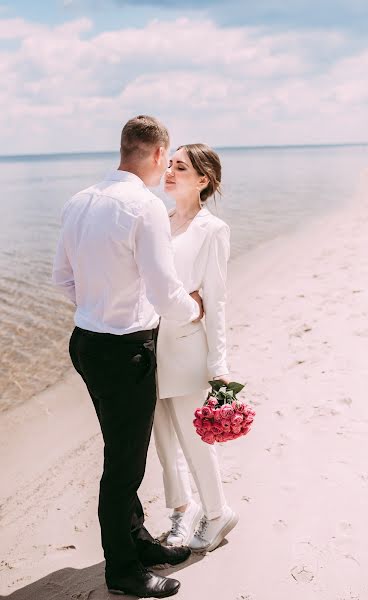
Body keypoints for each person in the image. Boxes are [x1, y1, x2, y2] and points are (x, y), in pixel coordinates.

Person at [52, 116, 205, 598]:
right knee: (123, 465)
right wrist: (195, 309)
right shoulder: (146, 206)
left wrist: (98, 304)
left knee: (123, 455)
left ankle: (137, 542)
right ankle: (122, 569)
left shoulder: (79, 200)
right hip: (125, 350)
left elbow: (62, 278)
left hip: (87, 343)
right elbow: (164, 292)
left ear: (124, 149)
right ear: (159, 155)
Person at [153, 143, 239, 553]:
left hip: (187, 350)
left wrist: (218, 363)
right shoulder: (158, 221)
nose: (169, 172)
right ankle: (180, 511)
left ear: (203, 180)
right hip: (148, 348)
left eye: (181, 167)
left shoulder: (212, 230)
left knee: (194, 440)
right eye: (169, 164)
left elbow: (216, 300)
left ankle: (219, 512)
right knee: (164, 441)